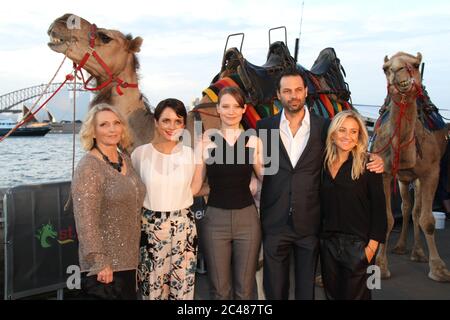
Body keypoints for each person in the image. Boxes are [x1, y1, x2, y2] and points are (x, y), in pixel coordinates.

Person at [256, 69, 384, 300]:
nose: (293, 95)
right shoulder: (264, 128)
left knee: (307, 291)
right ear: (278, 95)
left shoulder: (325, 128)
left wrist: (374, 158)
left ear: (306, 92)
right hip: (274, 223)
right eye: (287, 91)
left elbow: (348, 145)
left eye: (297, 90)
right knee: (275, 290)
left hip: (311, 225)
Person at [71, 103, 146, 300]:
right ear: (93, 132)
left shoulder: (125, 159)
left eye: (116, 123)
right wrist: (99, 261)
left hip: (129, 259)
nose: (112, 129)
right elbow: (85, 220)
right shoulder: (89, 167)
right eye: (104, 125)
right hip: (104, 267)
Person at [131, 98, 203, 300]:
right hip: (150, 226)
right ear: (156, 122)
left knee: (183, 287)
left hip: (184, 225)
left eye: (178, 121)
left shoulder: (191, 154)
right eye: (166, 121)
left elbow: (195, 187)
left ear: (183, 124)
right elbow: (133, 192)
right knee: (151, 287)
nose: (172, 127)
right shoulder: (139, 154)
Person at [197, 86, 264, 300]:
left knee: (245, 290)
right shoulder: (205, 143)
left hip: (248, 219)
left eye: (236, 106)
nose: (231, 111)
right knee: (219, 290)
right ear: (218, 109)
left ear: (244, 109)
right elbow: (196, 187)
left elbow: (265, 177)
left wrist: (255, 180)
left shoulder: (253, 141)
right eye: (225, 106)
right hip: (215, 220)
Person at [319, 110, 387, 300]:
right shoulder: (322, 164)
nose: (347, 136)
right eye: (342, 130)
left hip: (360, 245)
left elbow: (380, 210)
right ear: (333, 134)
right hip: (329, 244)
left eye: (353, 131)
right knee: (332, 296)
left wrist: (370, 250)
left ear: (359, 137)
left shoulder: (369, 165)